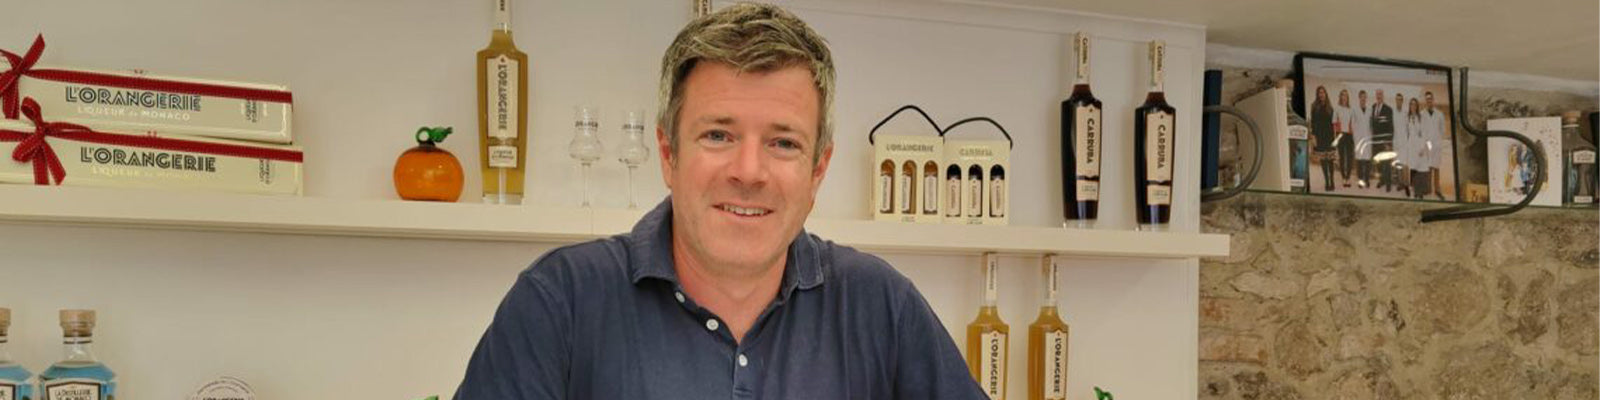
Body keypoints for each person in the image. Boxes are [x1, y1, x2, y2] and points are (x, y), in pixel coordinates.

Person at [452, 4, 986, 399]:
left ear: (818, 168)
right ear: (668, 152)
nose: (748, 172)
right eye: (718, 135)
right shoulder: (559, 301)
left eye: (783, 143)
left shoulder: (880, 305)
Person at [1422, 91, 1448, 200]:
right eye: (1427, 99)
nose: (1429, 101)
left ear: (1433, 100)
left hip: (1436, 144)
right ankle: (1427, 189)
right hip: (1427, 144)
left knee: (1436, 167)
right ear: (1426, 101)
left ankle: (1437, 190)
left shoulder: (1440, 114)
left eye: (1430, 99)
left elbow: (1442, 130)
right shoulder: (1422, 114)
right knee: (1427, 167)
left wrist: (1437, 140)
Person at [1311, 86, 1337, 191]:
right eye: (1319, 93)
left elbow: (1333, 124)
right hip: (1319, 136)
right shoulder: (1314, 106)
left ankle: (1332, 181)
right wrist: (1313, 136)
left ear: (1326, 94)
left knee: (1330, 160)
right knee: (1323, 161)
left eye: (1323, 92)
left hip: (1329, 136)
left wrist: (1335, 137)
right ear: (1317, 94)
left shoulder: (1330, 107)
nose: (1321, 94)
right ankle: (1327, 181)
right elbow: (1313, 123)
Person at [1370, 89, 1395, 192]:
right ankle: (1382, 180)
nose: (1379, 96)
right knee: (1378, 163)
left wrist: (1388, 142)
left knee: (1387, 164)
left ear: (1383, 96)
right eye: (1377, 94)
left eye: (1380, 94)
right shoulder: (1372, 107)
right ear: (1376, 96)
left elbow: (1390, 127)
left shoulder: (1388, 109)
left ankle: (1388, 184)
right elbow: (1372, 124)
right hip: (1375, 141)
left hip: (1384, 141)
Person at [1406, 98, 1428, 199]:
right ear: (1409, 106)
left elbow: (1424, 133)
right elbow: (1406, 132)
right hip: (1411, 145)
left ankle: (1420, 191)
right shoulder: (1407, 117)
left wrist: (1423, 147)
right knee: (1412, 168)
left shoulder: (1421, 117)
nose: (1413, 106)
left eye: (1414, 104)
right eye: (1411, 104)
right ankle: (1414, 189)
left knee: (1420, 169)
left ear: (1417, 106)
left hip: (1419, 145)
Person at [1352, 90, 1373, 188]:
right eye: (1362, 97)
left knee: (1367, 161)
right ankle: (1360, 180)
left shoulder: (1370, 110)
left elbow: (1372, 125)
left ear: (1366, 98)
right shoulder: (1355, 109)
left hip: (1368, 138)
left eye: (1365, 97)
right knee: (1360, 161)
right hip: (1359, 139)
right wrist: (1355, 137)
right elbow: (1353, 124)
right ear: (1359, 98)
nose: (1363, 99)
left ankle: (1367, 179)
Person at [1334, 89, 1354, 187]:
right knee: (1342, 158)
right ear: (1340, 97)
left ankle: (1348, 178)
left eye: (1346, 95)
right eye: (1342, 95)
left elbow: (1353, 123)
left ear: (1347, 97)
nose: (1344, 97)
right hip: (1340, 134)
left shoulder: (1351, 109)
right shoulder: (1337, 108)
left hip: (1349, 135)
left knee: (1349, 158)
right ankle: (1343, 178)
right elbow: (1333, 122)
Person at [1393, 92, 1411, 196]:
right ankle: (1400, 183)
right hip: (1396, 142)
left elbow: (1409, 129)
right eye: (1397, 99)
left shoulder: (1406, 113)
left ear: (1402, 101)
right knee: (1398, 164)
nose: (1398, 101)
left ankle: (1407, 185)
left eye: (1400, 99)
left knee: (1405, 165)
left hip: (1404, 143)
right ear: (1395, 100)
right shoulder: (1393, 113)